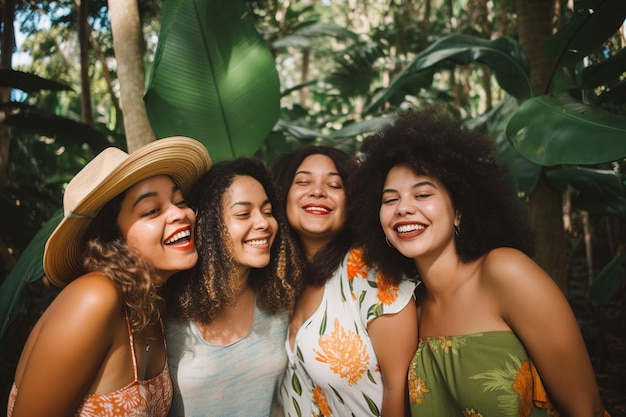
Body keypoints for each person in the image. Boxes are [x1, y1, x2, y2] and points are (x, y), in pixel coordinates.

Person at [351, 106, 608, 417]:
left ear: (458, 211)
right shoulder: (408, 306)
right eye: (390, 199)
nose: (403, 208)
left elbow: (586, 410)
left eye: (422, 195)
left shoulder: (504, 272)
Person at [7, 137, 212, 416]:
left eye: (180, 201)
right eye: (152, 210)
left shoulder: (150, 301)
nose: (180, 213)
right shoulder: (94, 297)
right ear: (113, 238)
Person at [272, 146, 418, 417]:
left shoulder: (371, 272)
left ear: (352, 202)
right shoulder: (280, 282)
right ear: (283, 196)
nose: (317, 191)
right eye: (303, 181)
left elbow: (399, 390)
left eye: (334, 184)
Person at [163, 157, 302, 417]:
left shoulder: (279, 302)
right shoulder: (167, 310)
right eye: (243, 214)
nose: (263, 223)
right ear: (208, 225)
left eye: (268, 211)